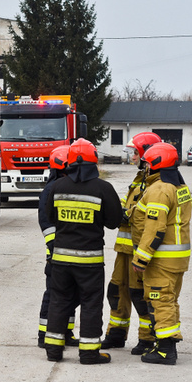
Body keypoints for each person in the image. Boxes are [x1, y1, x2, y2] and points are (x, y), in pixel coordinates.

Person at [43, 139, 122, 364]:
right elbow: (114, 221)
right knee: (90, 303)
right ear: (93, 162)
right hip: (90, 262)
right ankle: (88, 353)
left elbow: (50, 217)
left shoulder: (57, 187)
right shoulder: (103, 189)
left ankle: (53, 350)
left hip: (60, 260)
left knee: (59, 300)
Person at [131, 142, 192, 365]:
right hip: (177, 258)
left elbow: (155, 228)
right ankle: (164, 342)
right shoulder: (178, 186)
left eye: (147, 163)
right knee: (169, 300)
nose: (144, 167)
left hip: (161, 259)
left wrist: (141, 258)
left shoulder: (159, 189)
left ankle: (166, 351)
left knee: (160, 301)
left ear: (156, 164)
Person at [101, 132, 161, 355]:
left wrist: (127, 214)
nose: (132, 156)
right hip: (124, 249)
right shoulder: (140, 179)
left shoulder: (155, 182)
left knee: (140, 294)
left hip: (139, 250)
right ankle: (116, 333)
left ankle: (147, 338)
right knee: (117, 290)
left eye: (135, 152)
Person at [36, 145, 78, 348]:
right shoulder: (51, 190)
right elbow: (46, 223)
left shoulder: (65, 186)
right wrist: (54, 247)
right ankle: (44, 335)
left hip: (69, 252)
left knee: (70, 294)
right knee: (53, 295)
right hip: (56, 254)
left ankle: (66, 331)